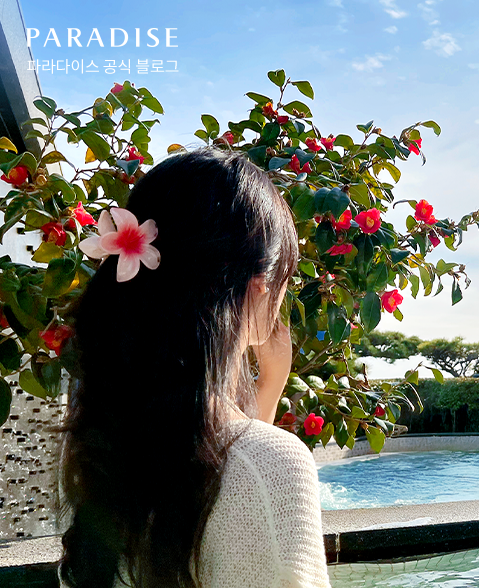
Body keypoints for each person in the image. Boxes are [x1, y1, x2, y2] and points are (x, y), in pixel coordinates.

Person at [52, 147, 332, 588]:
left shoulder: (95, 444)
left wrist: (271, 383)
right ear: (260, 286)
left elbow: (214, 458)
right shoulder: (275, 465)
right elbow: (242, 471)